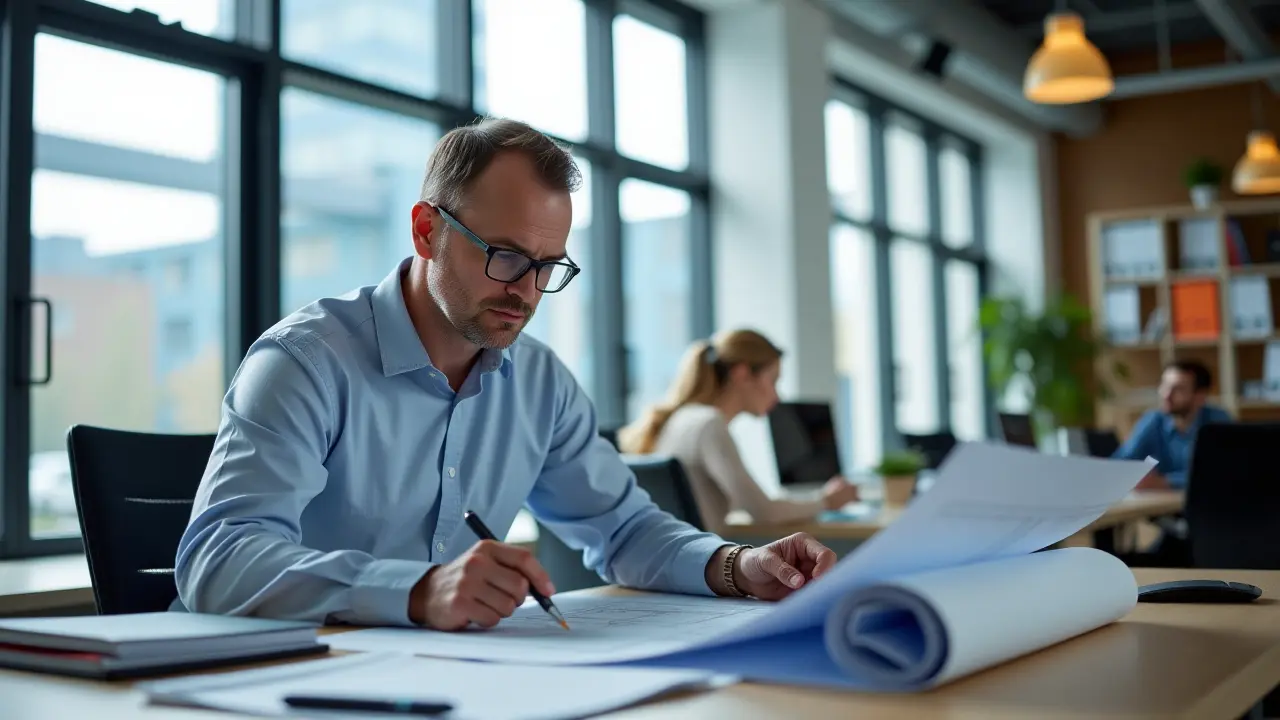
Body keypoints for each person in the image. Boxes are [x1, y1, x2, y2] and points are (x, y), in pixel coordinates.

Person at [173, 118, 838, 632]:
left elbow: (626, 530)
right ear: (427, 230)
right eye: (506, 256)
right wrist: (414, 591)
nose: (525, 290)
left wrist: (736, 565)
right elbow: (218, 560)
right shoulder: (305, 362)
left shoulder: (540, 382)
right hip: (289, 683)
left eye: (549, 266)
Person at [616, 330, 859, 532]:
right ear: (742, 374)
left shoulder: (682, 419)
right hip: (700, 574)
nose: (776, 396)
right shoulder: (708, 424)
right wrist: (827, 501)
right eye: (773, 381)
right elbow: (763, 511)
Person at [1113, 360, 1232, 490]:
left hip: (1208, 503)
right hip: (1162, 504)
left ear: (1200, 396)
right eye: (1164, 386)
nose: (1166, 395)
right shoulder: (1154, 420)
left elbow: (1222, 474)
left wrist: (1166, 482)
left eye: (1178, 389)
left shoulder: (1217, 422)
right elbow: (1122, 462)